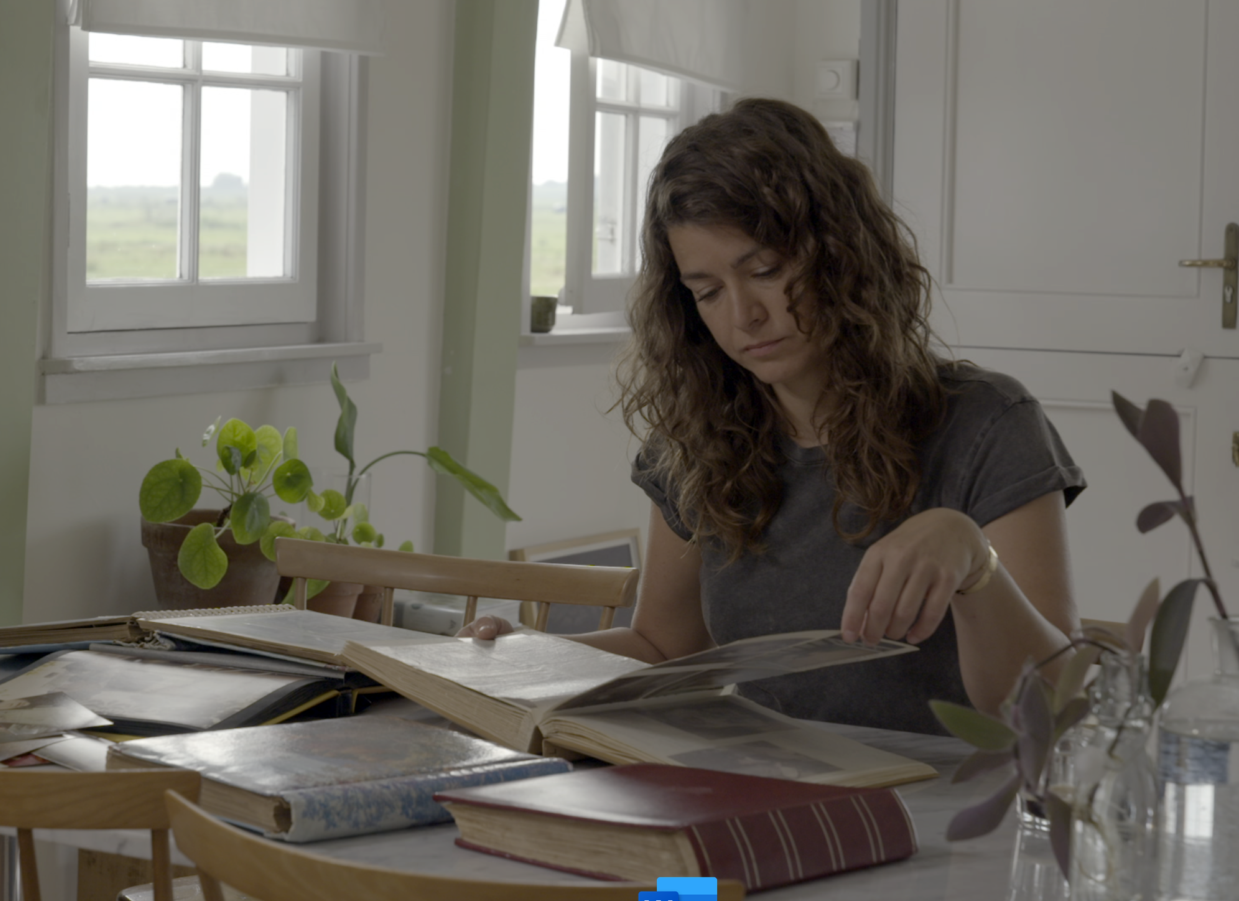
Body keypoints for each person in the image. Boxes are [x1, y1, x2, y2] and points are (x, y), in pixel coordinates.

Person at [459, 98, 1084, 734]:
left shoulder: (987, 424)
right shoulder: (696, 442)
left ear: (842, 254)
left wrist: (974, 562)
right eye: (707, 292)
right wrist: (529, 658)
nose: (744, 316)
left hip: (954, 790)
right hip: (766, 782)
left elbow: (1054, 705)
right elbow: (665, 649)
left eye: (765, 271)